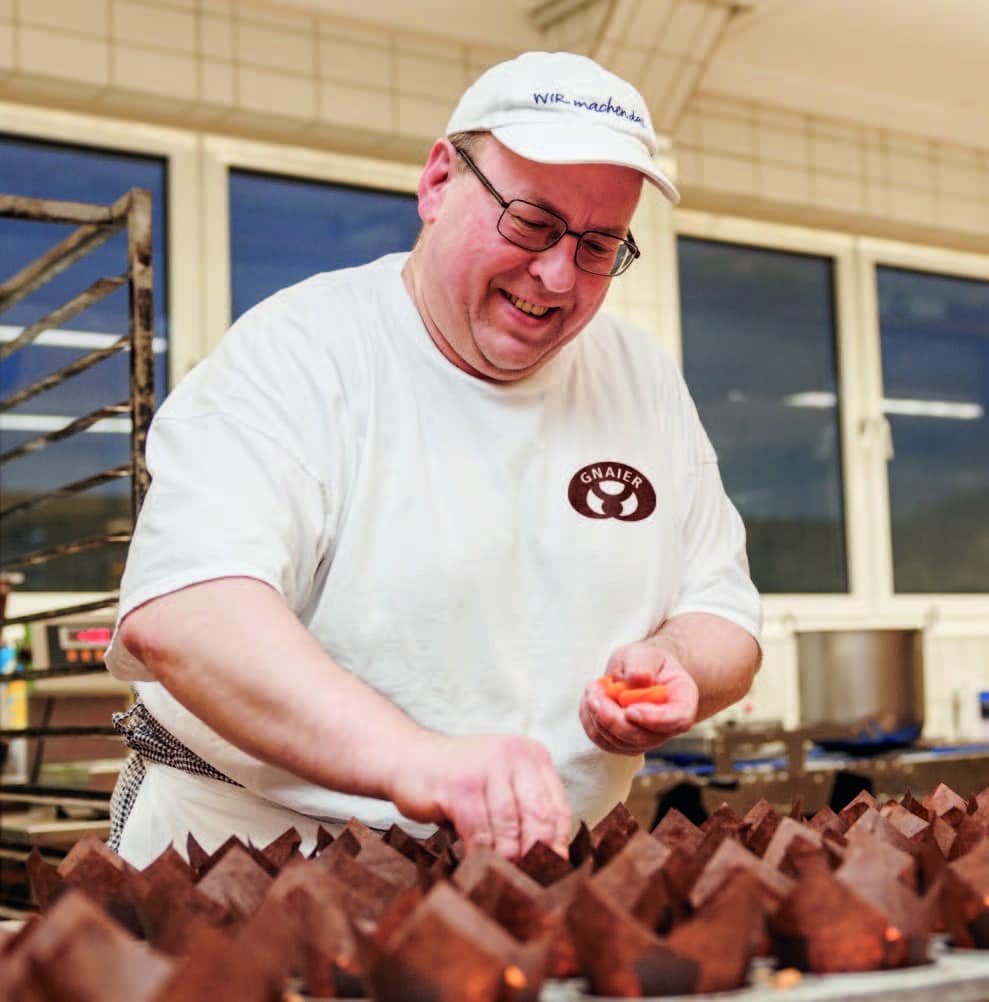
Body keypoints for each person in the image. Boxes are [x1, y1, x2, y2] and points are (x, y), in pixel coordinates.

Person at [105, 50, 761, 868]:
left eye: (599, 246)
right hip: (252, 865)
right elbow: (189, 616)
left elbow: (724, 616)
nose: (557, 276)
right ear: (439, 182)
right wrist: (413, 760)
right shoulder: (304, 350)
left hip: (538, 875)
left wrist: (677, 665)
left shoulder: (639, 379)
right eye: (530, 222)